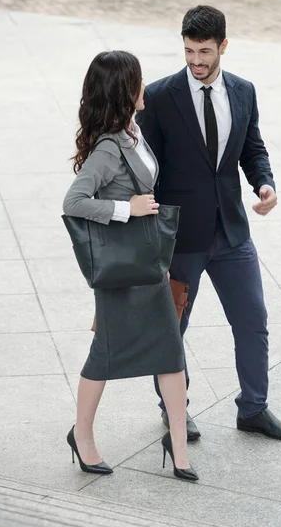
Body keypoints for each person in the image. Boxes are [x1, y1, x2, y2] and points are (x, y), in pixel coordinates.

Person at [136, 6, 281, 442]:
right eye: (189, 51)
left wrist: (264, 184)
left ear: (223, 46)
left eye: (205, 52)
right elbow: (141, 166)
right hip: (179, 236)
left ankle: (254, 409)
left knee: (253, 321)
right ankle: (174, 409)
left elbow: (253, 148)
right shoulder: (157, 97)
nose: (196, 61)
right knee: (173, 327)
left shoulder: (244, 92)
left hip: (231, 231)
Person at [62, 50, 198, 481]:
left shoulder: (133, 131)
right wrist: (127, 207)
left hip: (148, 267)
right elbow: (74, 201)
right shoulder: (108, 147)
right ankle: (81, 435)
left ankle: (178, 448)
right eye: (137, 81)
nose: (145, 87)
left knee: (170, 352)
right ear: (124, 91)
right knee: (103, 356)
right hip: (123, 273)